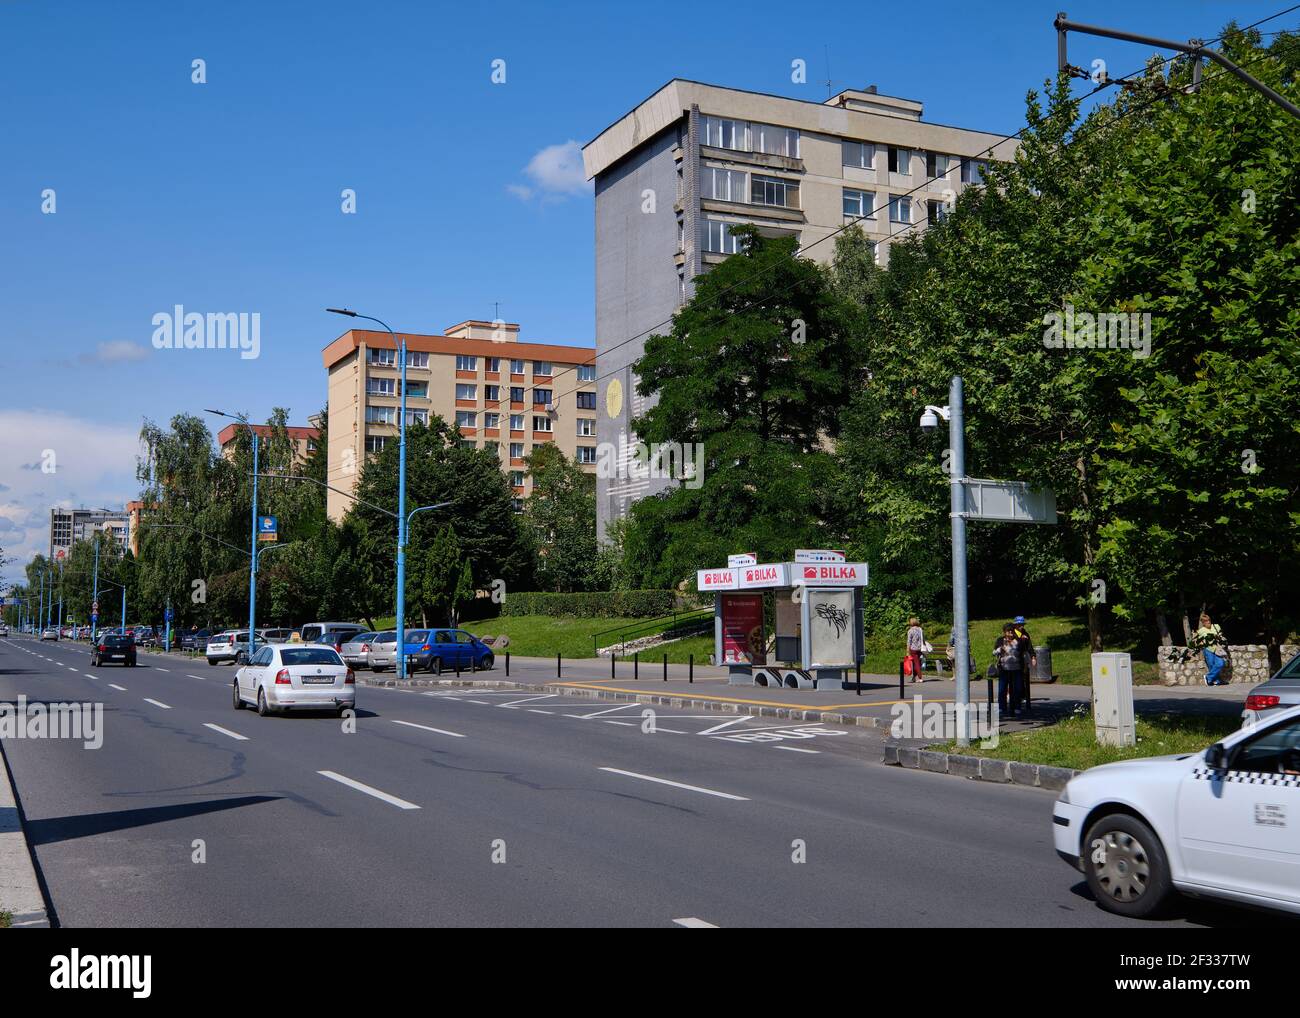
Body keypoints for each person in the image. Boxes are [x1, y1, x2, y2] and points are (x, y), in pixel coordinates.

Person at [993, 624, 1025, 719]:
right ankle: (1002, 708)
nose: (1010, 634)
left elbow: (1023, 652)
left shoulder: (1018, 641)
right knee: (1002, 689)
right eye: (1008, 632)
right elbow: (994, 652)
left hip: (1016, 668)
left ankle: (1017, 707)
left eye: (1011, 632)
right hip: (1004, 668)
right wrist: (999, 649)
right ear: (1004, 632)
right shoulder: (1000, 640)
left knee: (1017, 689)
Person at [1010, 615, 1037, 713]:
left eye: (1022, 624)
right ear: (1015, 625)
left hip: (1023, 658)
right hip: (1014, 658)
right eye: (1019, 625)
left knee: (1024, 677)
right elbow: (1013, 645)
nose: (1021, 626)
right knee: (1015, 678)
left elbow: (1030, 646)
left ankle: (1023, 696)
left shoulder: (1025, 633)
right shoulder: (1012, 634)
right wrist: (1021, 639)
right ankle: (1014, 696)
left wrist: (1033, 657)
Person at [1194, 613, 1228, 686]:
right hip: (1208, 649)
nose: (1208, 622)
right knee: (1211, 666)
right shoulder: (1201, 631)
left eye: (1209, 620)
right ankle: (1216, 681)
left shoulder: (1216, 626)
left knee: (1220, 663)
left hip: (1217, 649)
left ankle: (1208, 677)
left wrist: (1218, 637)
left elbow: (1221, 635)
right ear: (1203, 623)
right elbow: (1197, 641)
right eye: (1206, 621)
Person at [905, 617, 925, 683]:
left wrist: (907, 651)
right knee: (917, 663)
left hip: (913, 649)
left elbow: (909, 642)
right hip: (920, 648)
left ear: (911, 623)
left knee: (916, 664)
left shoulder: (910, 631)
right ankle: (913, 677)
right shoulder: (920, 629)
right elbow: (923, 639)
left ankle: (920, 677)